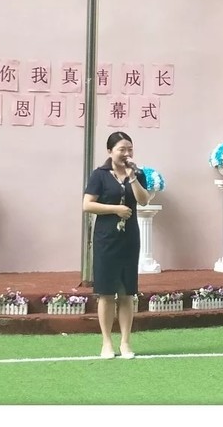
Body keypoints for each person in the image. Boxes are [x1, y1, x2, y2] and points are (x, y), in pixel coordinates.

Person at [83, 131, 151, 359]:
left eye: (130, 149)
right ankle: (106, 343)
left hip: (129, 239)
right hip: (106, 239)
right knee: (106, 292)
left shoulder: (138, 174)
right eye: (122, 149)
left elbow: (143, 200)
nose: (126, 153)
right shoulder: (99, 175)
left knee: (126, 292)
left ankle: (125, 343)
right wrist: (115, 209)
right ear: (110, 151)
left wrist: (132, 178)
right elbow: (87, 205)